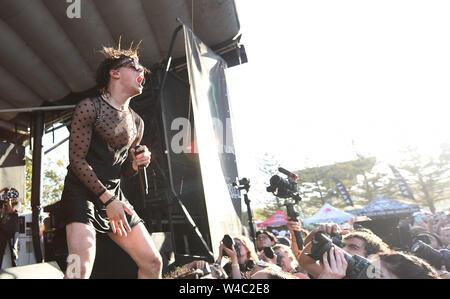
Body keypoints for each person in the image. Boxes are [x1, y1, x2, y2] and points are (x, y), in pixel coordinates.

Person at [59, 41, 162, 279]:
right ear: (114, 73)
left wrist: (136, 165)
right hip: (82, 192)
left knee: (152, 262)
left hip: (114, 195)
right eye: (135, 66)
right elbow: (76, 160)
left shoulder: (137, 122)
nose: (141, 72)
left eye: (142, 70)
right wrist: (108, 200)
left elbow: (123, 170)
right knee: (79, 269)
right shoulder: (89, 107)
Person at [0, 188, 20, 268]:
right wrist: (3, 190)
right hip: (2, 231)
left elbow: (10, 211)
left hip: (13, 231)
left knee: (14, 252)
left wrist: (8, 201)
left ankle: (15, 269)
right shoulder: (2, 203)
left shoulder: (17, 203)